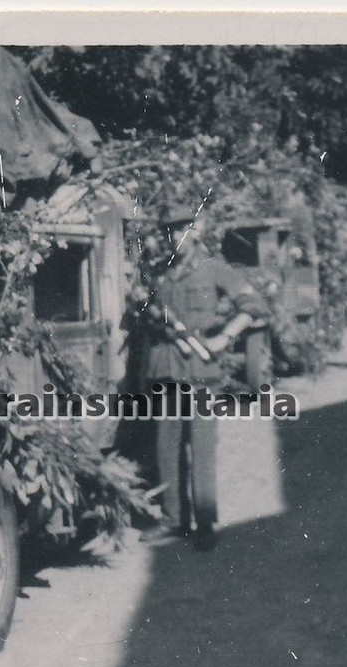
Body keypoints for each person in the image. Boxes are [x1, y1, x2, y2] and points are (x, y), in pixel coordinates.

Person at [130, 210, 269, 550]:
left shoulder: (215, 268)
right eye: (169, 230)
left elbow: (254, 307)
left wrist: (223, 339)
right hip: (166, 369)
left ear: (197, 229)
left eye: (181, 228)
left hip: (201, 372)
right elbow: (150, 318)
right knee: (166, 447)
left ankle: (205, 522)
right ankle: (174, 519)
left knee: (202, 448)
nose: (175, 236)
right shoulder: (163, 273)